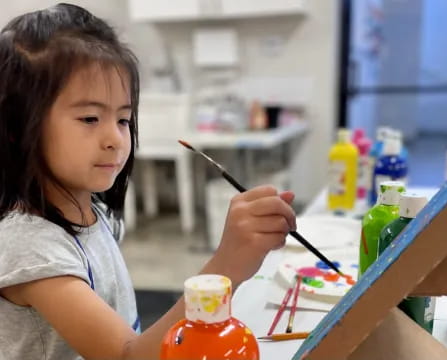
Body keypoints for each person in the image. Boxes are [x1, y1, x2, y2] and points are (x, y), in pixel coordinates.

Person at [0, 3, 297, 359]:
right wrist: (227, 266)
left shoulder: (93, 211)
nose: (115, 139)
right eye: (91, 118)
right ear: (17, 126)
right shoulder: (30, 247)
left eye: (123, 120)